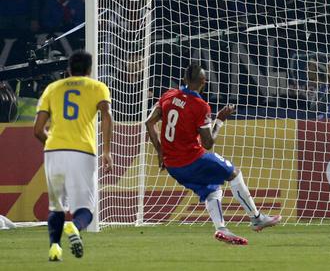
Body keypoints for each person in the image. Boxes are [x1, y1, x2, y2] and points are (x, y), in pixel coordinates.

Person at [145, 63, 280, 245]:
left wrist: (160, 152)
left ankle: (221, 228)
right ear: (204, 82)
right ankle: (256, 218)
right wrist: (220, 120)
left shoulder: (168, 95)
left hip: (173, 166)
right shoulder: (201, 106)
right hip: (192, 159)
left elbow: (149, 122)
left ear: (184, 80)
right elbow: (208, 143)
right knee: (233, 172)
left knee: (212, 189)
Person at [33, 50, 113, 261]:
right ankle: (75, 227)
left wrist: (52, 144)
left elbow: (37, 129)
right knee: (85, 209)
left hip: (54, 152)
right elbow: (107, 116)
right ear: (89, 69)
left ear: (68, 69)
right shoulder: (97, 88)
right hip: (82, 152)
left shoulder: (52, 88)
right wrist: (106, 151)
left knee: (56, 205)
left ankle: (54, 248)